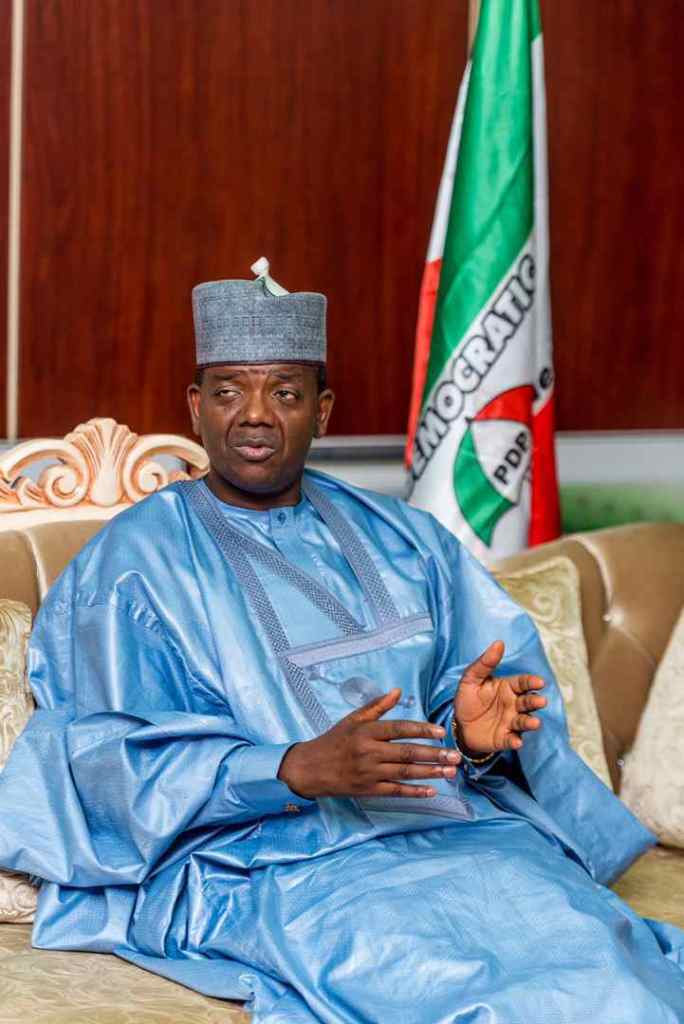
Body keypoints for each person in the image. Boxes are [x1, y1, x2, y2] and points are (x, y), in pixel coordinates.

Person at [0, 259, 683, 1024]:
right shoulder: (132, 566)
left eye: (285, 392)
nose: (255, 415)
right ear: (196, 407)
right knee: (466, 992)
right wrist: (292, 768)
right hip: (267, 865)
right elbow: (104, 761)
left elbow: (478, 700)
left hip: (455, 837)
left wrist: (470, 738)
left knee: (606, 966)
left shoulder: (406, 539)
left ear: (322, 411)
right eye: (228, 391)